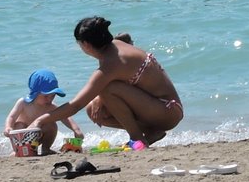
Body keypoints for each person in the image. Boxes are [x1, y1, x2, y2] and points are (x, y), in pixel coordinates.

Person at [33, 16, 184, 147]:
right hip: (159, 109)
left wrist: (41, 120)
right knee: (93, 109)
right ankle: (151, 133)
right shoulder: (116, 46)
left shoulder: (109, 65)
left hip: (168, 111)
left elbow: (75, 105)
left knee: (106, 88)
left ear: (85, 44)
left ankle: (137, 139)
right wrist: (99, 98)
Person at [4, 69, 84, 156]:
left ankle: (46, 149)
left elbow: (65, 117)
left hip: (40, 137)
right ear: (35, 93)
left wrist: (76, 130)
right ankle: (18, 150)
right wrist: (8, 127)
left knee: (52, 125)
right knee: (19, 125)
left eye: (53, 96)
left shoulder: (51, 106)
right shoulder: (23, 103)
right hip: (22, 139)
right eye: (46, 96)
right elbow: (11, 117)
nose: (50, 99)